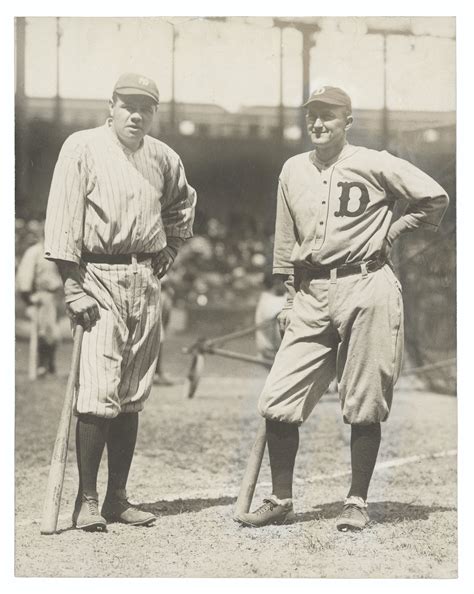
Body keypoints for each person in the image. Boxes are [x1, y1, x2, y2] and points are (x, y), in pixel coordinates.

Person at [235, 86, 449, 532]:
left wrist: (395, 228)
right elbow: (284, 243)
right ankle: (281, 498)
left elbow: (435, 198)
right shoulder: (292, 169)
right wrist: (290, 299)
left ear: (347, 121)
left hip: (367, 283)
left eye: (328, 116)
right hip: (312, 291)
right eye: (312, 115)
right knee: (277, 399)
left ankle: (356, 500)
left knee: (365, 400)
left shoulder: (376, 162)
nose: (318, 123)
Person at [44, 72, 196, 531]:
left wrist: (170, 248)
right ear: (110, 105)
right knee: (96, 390)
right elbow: (63, 217)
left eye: (145, 107)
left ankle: (116, 498)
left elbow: (183, 206)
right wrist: (72, 286)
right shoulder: (82, 146)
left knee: (132, 393)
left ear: (154, 112)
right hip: (98, 273)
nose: (136, 114)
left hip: (144, 275)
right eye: (128, 105)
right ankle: (86, 500)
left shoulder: (163, 156)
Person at [17, 222, 63, 376]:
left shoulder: (56, 251)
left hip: (54, 297)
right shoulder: (35, 251)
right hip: (39, 297)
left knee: (54, 334)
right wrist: (29, 299)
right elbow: (24, 277)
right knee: (44, 333)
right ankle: (42, 367)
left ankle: (49, 366)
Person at [254, 269, 286, 361]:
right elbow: (279, 335)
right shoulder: (271, 303)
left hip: (269, 352)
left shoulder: (267, 298)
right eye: (287, 281)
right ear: (277, 282)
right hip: (272, 354)